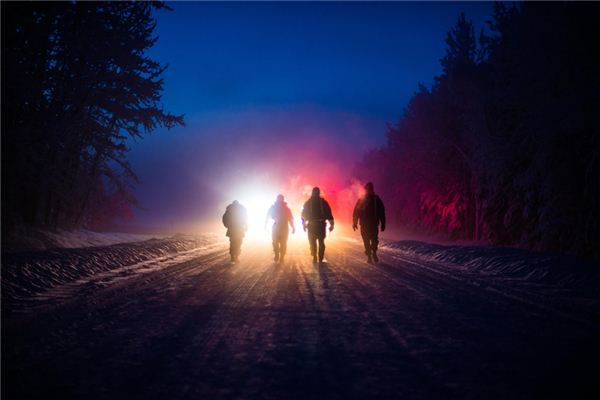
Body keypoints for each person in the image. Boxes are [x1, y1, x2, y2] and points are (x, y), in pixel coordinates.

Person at [353, 182, 386, 263]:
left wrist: (383, 223)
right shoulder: (362, 200)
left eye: (370, 189)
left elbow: (381, 212)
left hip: (373, 224)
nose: (369, 190)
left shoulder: (376, 199)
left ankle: (373, 252)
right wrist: (354, 222)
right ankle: (369, 256)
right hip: (365, 224)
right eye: (368, 189)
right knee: (366, 240)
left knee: (374, 240)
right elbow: (356, 212)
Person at [301, 187, 334, 263]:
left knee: (312, 241)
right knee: (321, 241)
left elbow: (303, 215)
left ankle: (314, 255)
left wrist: (303, 224)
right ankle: (320, 256)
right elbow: (329, 214)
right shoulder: (323, 203)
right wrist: (332, 224)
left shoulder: (308, 203)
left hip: (312, 225)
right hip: (321, 225)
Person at [265, 194, 295, 263]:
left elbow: (290, 219)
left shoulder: (286, 208)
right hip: (279, 227)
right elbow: (267, 216)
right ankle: (277, 255)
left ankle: (281, 256)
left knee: (282, 243)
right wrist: (265, 225)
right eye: (279, 198)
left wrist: (293, 227)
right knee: (276, 242)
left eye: (281, 198)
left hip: (282, 227)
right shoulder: (275, 208)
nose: (280, 200)